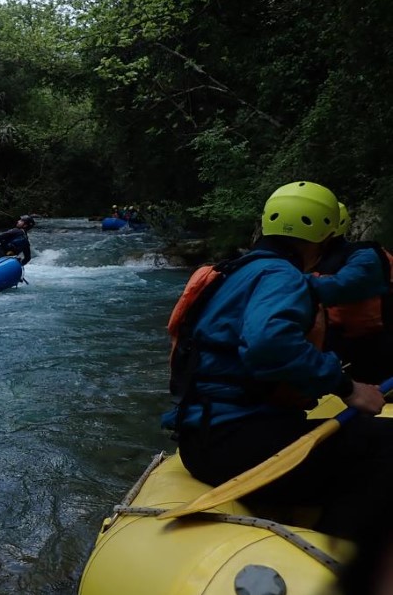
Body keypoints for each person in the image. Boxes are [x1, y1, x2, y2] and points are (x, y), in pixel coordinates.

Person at [162, 180, 389, 540]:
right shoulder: (281, 276)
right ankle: (342, 554)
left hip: (201, 440)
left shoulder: (237, 270)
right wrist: (347, 388)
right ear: (325, 237)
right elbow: (268, 342)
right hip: (237, 445)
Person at [309, 203, 393, 384]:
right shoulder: (310, 259)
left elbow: (341, 287)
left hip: (371, 350)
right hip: (330, 348)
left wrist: (284, 282)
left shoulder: (365, 255)